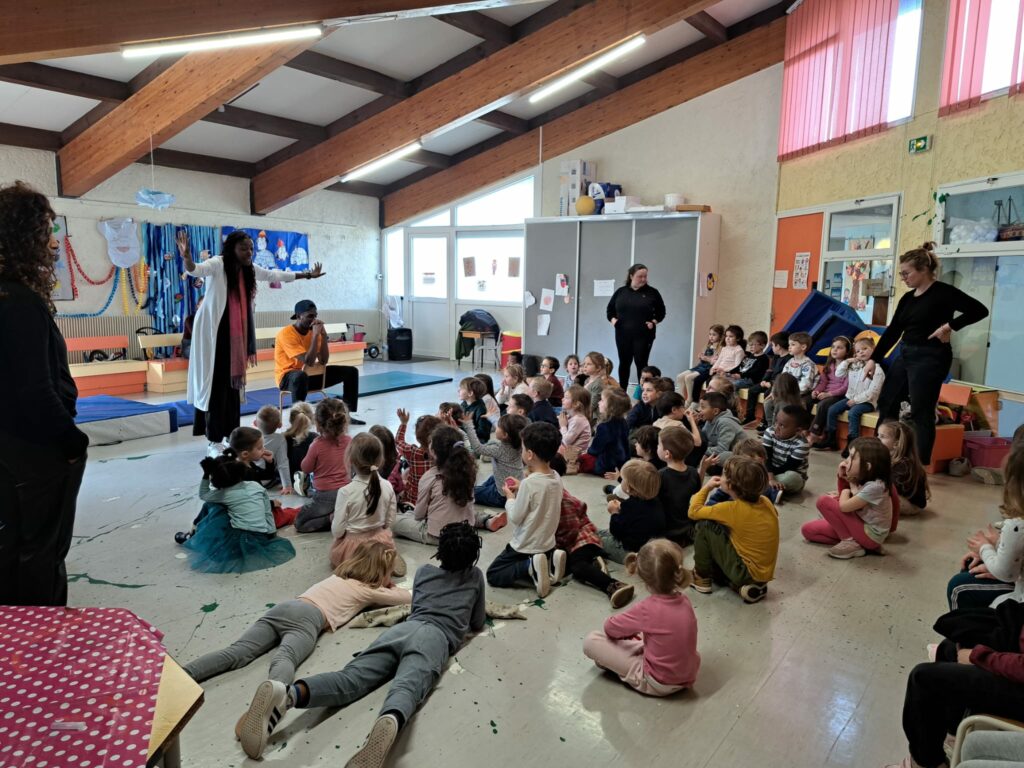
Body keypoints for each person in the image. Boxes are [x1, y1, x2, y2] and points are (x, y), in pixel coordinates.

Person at [239, 522, 486, 764]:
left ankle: (289, 695)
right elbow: (476, 622)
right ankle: (390, 718)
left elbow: (415, 604)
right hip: (435, 637)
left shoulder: (423, 571)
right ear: (473, 555)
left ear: (440, 551)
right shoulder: (475, 577)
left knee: (351, 678)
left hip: (403, 629)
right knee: (407, 687)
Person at [0, 182, 89, 606]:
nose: (55, 243)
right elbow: (35, 388)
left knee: (15, 543)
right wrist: (71, 442)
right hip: (35, 449)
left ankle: (18, 631)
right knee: (41, 552)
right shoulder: (19, 302)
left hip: (10, 444)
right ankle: (44, 634)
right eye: (48, 232)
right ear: (24, 236)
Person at [185, 542, 409, 689]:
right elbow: (406, 597)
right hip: (309, 618)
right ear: (381, 572)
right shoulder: (368, 589)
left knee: (237, 652)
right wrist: (388, 585)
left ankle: (185, 674)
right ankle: (275, 693)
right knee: (285, 657)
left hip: (286, 607)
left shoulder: (339, 575)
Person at [179, 230, 325, 454]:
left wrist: (307, 275)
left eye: (251, 248)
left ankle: (230, 435)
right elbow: (196, 270)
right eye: (244, 248)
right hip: (214, 336)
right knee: (216, 390)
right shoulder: (218, 263)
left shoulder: (250, 270)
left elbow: (275, 275)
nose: (249, 252)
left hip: (235, 340)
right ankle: (214, 441)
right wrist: (187, 258)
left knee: (232, 390)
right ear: (232, 249)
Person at [870, 242, 989, 465]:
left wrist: (949, 327)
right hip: (906, 352)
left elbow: (979, 310)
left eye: (906, 273)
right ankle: (881, 453)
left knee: (921, 411)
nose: (903, 278)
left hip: (930, 356)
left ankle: (918, 465)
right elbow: (894, 330)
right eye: (901, 274)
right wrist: (874, 359)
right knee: (887, 402)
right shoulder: (907, 298)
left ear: (924, 270)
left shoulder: (944, 292)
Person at [583, 539, 699, 697]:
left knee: (592, 641)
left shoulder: (647, 608)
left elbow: (610, 628)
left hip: (658, 682)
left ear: (644, 578)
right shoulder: (684, 601)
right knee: (643, 636)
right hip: (688, 674)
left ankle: (618, 665)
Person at [486, 422, 566, 598]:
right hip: (547, 544)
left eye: (522, 449)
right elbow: (541, 492)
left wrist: (510, 498)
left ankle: (530, 566)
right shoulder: (555, 477)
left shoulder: (529, 484)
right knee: (540, 557)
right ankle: (550, 563)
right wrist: (522, 485)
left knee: (494, 574)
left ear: (529, 455)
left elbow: (515, 516)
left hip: (526, 545)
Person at [180, 452, 296, 573]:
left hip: (238, 540)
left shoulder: (223, 493)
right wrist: (271, 535)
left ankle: (194, 535)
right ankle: (195, 531)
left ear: (217, 481)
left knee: (213, 506)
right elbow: (267, 512)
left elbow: (203, 494)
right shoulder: (256, 486)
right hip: (261, 537)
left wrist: (205, 474)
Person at [688, 457, 779, 604]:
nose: (720, 476)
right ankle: (743, 587)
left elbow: (693, 511)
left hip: (745, 571)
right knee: (724, 532)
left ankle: (701, 577)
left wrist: (707, 488)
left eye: (723, 474)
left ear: (729, 485)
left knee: (704, 525)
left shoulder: (731, 509)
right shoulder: (766, 501)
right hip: (762, 573)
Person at [549, 454, 634, 607]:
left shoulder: (561, 498)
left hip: (580, 538)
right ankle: (594, 561)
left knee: (577, 567)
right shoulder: (549, 490)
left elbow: (570, 530)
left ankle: (613, 585)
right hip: (577, 537)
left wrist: (559, 545)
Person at [801, 437, 894, 559]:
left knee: (824, 501)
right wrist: (842, 478)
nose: (846, 460)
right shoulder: (864, 477)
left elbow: (844, 507)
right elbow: (845, 501)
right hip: (859, 526)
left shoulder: (876, 487)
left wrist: (845, 491)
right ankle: (859, 544)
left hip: (870, 535)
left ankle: (850, 541)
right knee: (808, 530)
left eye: (851, 457)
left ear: (867, 466)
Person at [274, 300, 363, 424]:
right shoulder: (286, 334)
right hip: (288, 378)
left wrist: (323, 336)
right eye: (310, 316)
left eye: (315, 316)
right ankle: (298, 421)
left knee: (351, 372)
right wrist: (316, 336)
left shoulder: (314, 332)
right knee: (300, 376)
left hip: (309, 375)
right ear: (299, 316)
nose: (314, 320)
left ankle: (346, 415)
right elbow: (309, 361)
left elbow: (323, 360)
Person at [392, 425, 475, 546]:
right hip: (466, 530)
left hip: (438, 535)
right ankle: (484, 520)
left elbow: (419, 515)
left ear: (434, 452)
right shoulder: (468, 470)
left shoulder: (430, 476)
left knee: (393, 520)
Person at [329, 432, 400, 571]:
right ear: (380, 460)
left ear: (351, 460)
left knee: (338, 560)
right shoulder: (387, 485)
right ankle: (383, 564)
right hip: (380, 545)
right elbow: (390, 522)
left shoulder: (345, 491)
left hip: (354, 549)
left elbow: (337, 532)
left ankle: (362, 569)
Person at [455, 411, 526, 532]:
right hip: (515, 485)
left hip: (501, 495)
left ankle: (488, 514)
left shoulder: (498, 450)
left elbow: (477, 448)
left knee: (470, 493)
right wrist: (491, 418)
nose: (495, 427)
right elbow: (507, 429)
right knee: (488, 481)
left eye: (497, 427)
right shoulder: (519, 444)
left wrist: (468, 425)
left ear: (505, 435)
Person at [606, 264, 667, 389]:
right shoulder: (621, 292)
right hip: (623, 334)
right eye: (640, 276)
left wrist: (654, 322)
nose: (643, 279)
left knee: (641, 363)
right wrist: (614, 321)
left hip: (644, 335)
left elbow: (661, 311)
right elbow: (610, 310)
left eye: (645, 276)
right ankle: (622, 391)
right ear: (631, 276)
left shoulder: (652, 292)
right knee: (624, 363)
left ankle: (643, 391)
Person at [295, 399, 351, 533]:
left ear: (318, 424)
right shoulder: (350, 441)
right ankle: (342, 516)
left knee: (299, 522)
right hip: (347, 493)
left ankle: (331, 518)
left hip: (325, 496)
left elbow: (305, 468)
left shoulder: (316, 445)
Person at [821, 336, 885, 454]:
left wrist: (856, 400)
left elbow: (873, 392)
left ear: (873, 349)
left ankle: (852, 444)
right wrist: (847, 361)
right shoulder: (854, 366)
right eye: (858, 351)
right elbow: (839, 374)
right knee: (832, 409)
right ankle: (831, 439)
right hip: (850, 398)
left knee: (853, 413)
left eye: (865, 349)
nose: (861, 352)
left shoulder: (877, 370)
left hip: (867, 402)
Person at [599, 459, 666, 564]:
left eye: (623, 480)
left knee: (594, 540)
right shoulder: (656, 501)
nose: (621, 481)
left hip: (629, 550)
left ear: (629, 488)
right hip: (647, 544)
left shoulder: (629, 505)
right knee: (597, 532)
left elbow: (615, 531)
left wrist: (614, 512)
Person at [657, 427, 702, 545]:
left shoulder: (660, 476)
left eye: (658, 445)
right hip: (688, 529)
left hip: (668, 533)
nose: (657, 447)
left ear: (667, 454)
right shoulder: (693, 472)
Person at [878, 421, 930, 515]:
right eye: (878, 435)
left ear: (896, 443)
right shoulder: (889, 457)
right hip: (900, 497)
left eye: (882, 436)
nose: (877, 439)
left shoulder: (904, 464)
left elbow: (890, 488)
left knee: (872, 491)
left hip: (910, 504)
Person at [807, 336, 851, 446]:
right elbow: (823, 382)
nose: (835, 350)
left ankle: (814, 434)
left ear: (847, 352)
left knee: (823, 405)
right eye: (833, 347)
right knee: (807, 400)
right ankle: (803, 429)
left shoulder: (849, 367)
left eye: (839, 348)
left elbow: (845, 387)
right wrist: (816, 391)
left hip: (839, 395)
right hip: (826, 393)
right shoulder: (829, 365)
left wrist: (829, 394)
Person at [762, 404, 811, 499]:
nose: (776, 427)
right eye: (776, 421)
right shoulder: (769, 432)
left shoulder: (802, 444)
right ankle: (770, 488)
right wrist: (769, 477)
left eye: (782, 425)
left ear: (797, 430)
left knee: (793, 478)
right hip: (769, 471)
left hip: (786, 474)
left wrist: (769, 477)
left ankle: (763, 487)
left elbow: (788, 467)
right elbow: (766, 457)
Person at [578, 388, 631, 476]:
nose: (599, 402)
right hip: (621, 464)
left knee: (580, 459)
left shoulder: (604, 426)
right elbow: (625, 445)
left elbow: (594, 450)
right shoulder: (623, 422)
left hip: (605, 465)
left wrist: (585, 452)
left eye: (602, 400)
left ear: (611, 407)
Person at [742, 331, 790, 426]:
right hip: (769, 382)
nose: (771, 348)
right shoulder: (776, 357)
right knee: (752, 390)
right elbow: (769, 370)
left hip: (777, 384)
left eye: (772, 345)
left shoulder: (789, 359)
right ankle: (750, 416)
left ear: (778, 346)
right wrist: (764, 380)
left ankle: (765, 421)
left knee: (767, 393)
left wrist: (771, 384)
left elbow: (783, 376)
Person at [395, 410, 440, 508]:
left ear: (417, 436)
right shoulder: (443, 452)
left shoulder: (413, 452)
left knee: (405, 473)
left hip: (414, 501)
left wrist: (403, 424)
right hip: (436, 503)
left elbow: (398, 441)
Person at [677, 325, 724, 406]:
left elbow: (715, 361)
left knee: (688, 377)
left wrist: (706, 358)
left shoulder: (721, 348)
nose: (711, 337)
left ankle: (690, 399)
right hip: (700, 366)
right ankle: (680, 398)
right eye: (710, 334)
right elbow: (704, 356)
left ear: (720, 336)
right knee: (680, 376)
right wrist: (701, 356)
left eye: (714, 335)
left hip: (708, 368)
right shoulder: (708, 345)